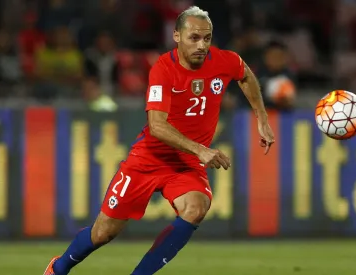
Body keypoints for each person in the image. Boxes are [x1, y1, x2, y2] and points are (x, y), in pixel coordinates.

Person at [43, 6, 275, 275]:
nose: (202, 45)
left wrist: (262, 118)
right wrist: (200, 149)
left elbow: (244, 74)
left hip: (185, 165)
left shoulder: (225, 61)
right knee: (103, 233)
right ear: (177, 36)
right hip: (148, 160)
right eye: (194, 38)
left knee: (196, 207)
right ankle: (58, 268)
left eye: (207, 38)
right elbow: (156, 126)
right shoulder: (164, 69)